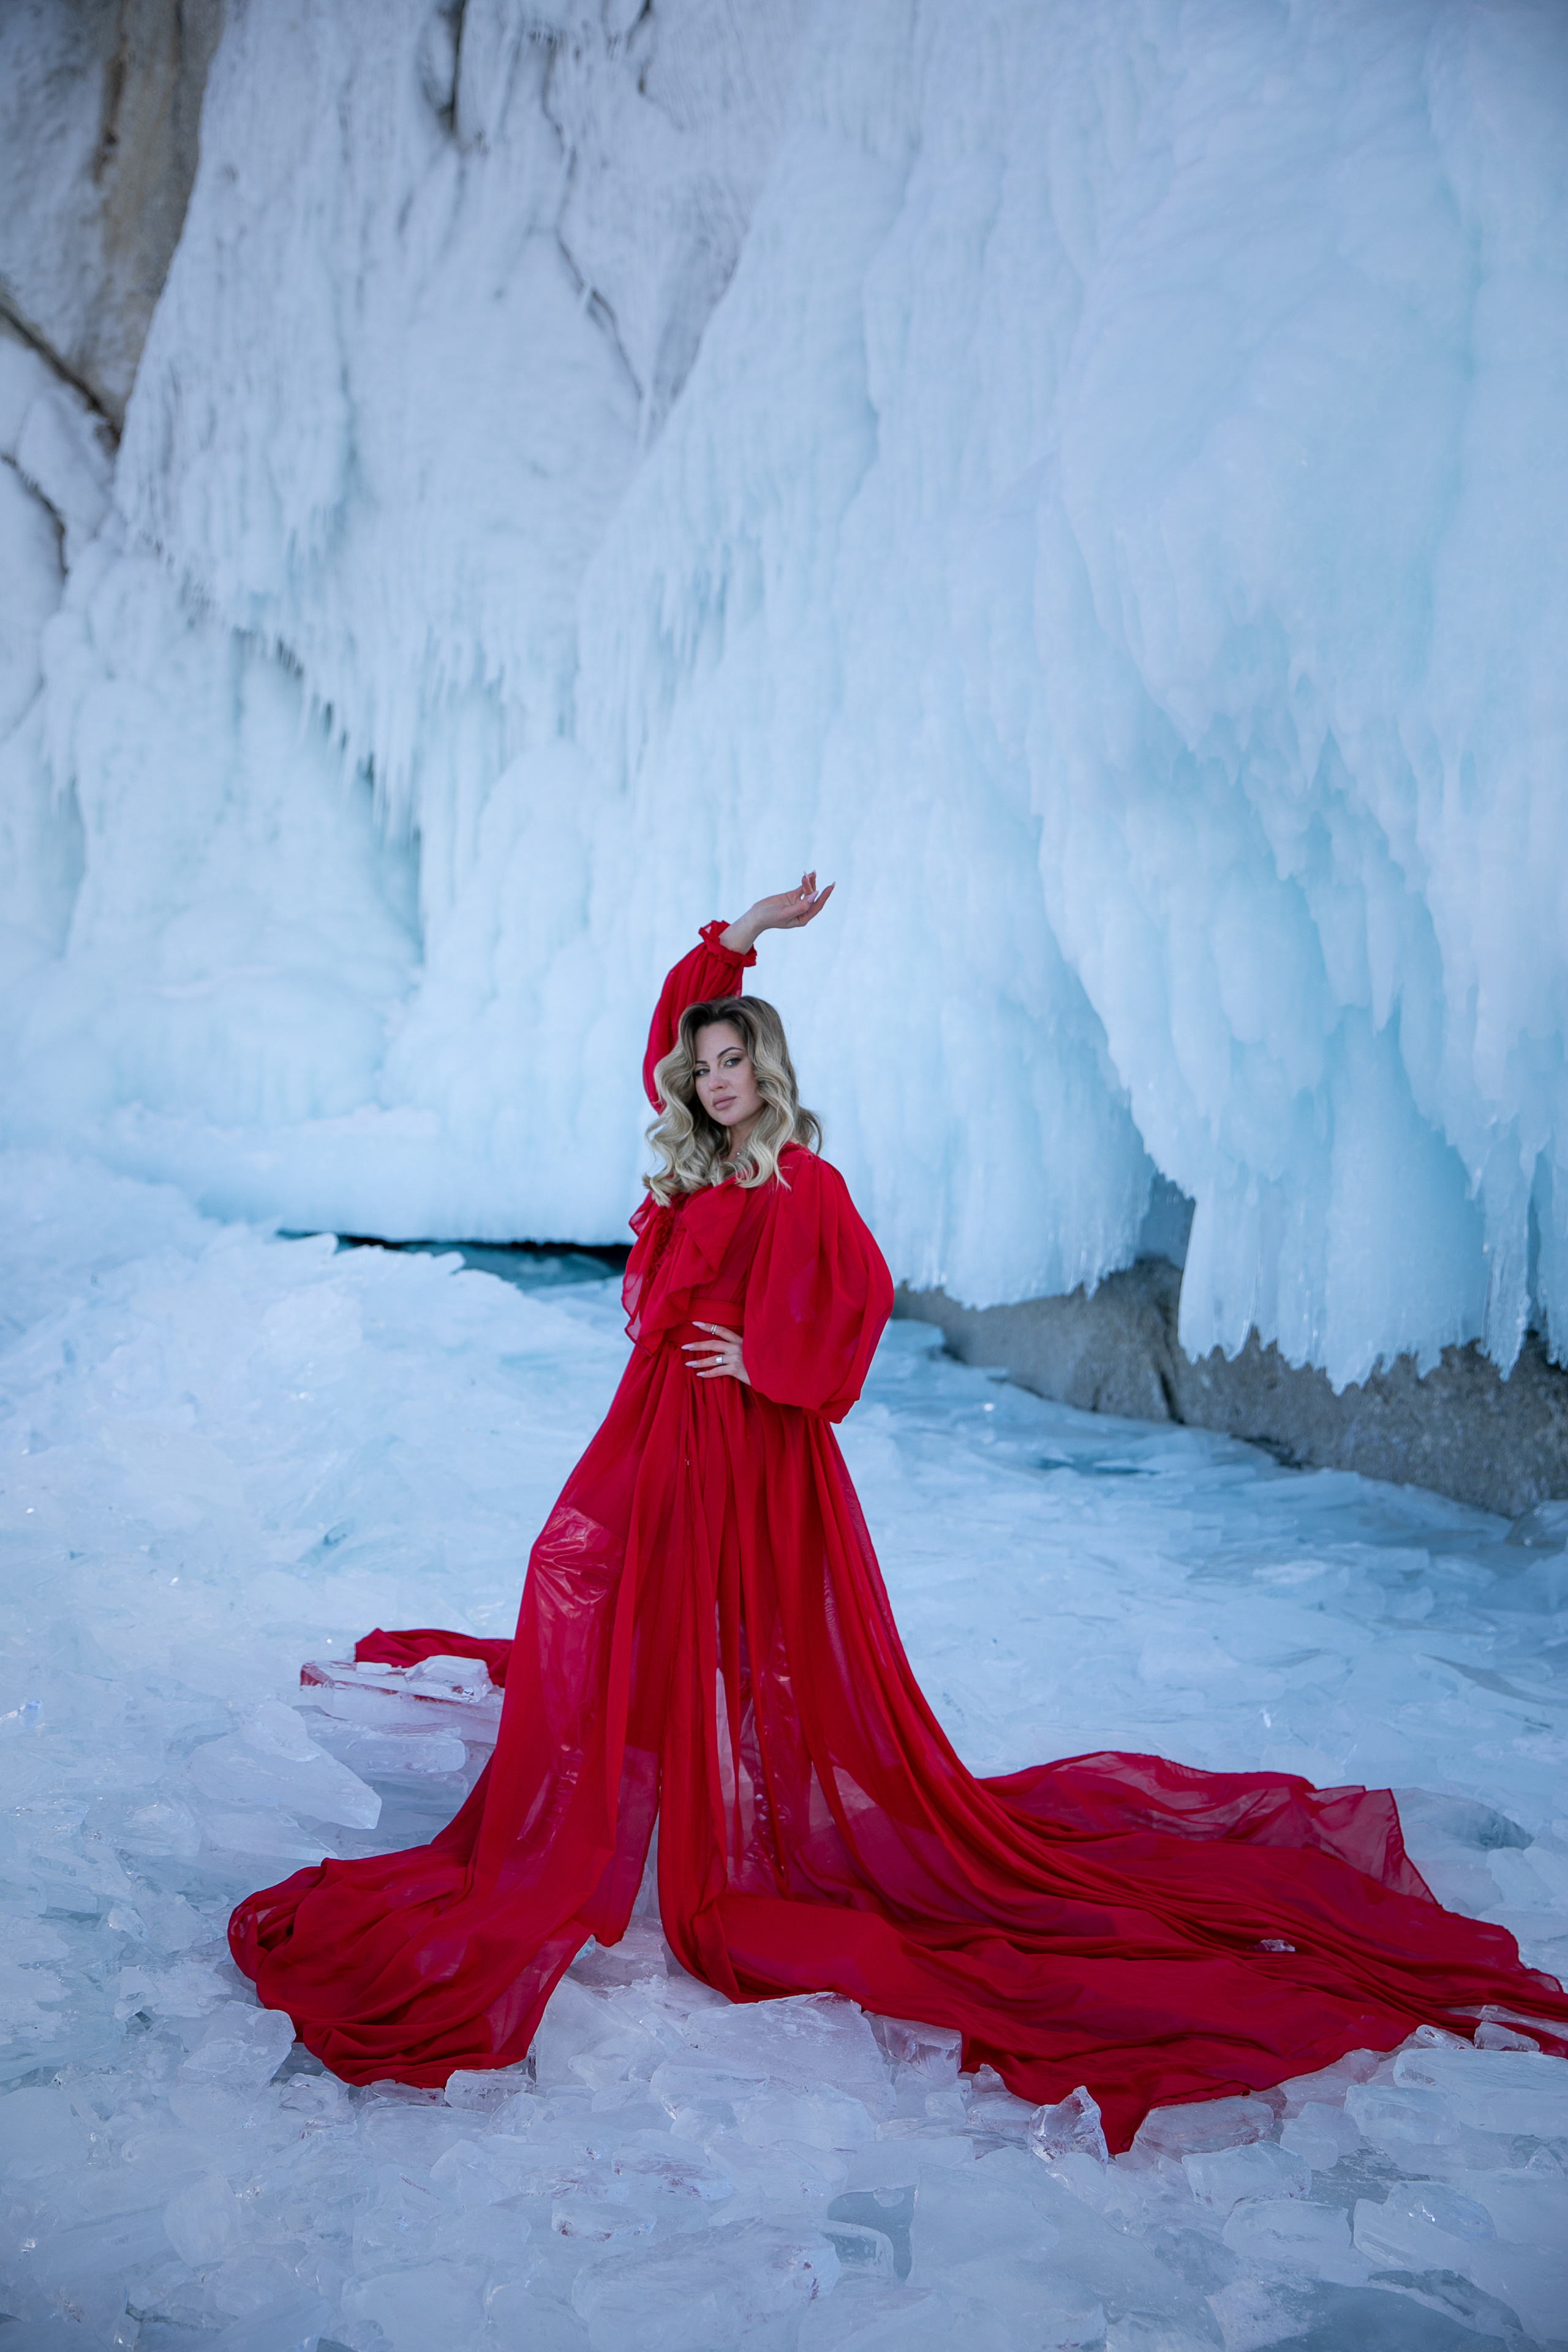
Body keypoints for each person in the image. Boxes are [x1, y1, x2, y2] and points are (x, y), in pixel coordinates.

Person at [231, 878, 1567, 2151]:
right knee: (581, 1573)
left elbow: (862, 1297)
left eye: (734, 1061)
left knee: (717, 1620)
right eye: (704, 1064)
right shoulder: (695, 1167)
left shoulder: (799, 1182)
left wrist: (767, 1362)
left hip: (746, 1444)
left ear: (768, 1071)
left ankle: (713, 1816)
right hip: (658, 1426)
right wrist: (743, 933)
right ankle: (653, 1779)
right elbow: (668, 1030)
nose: (715, 1077)